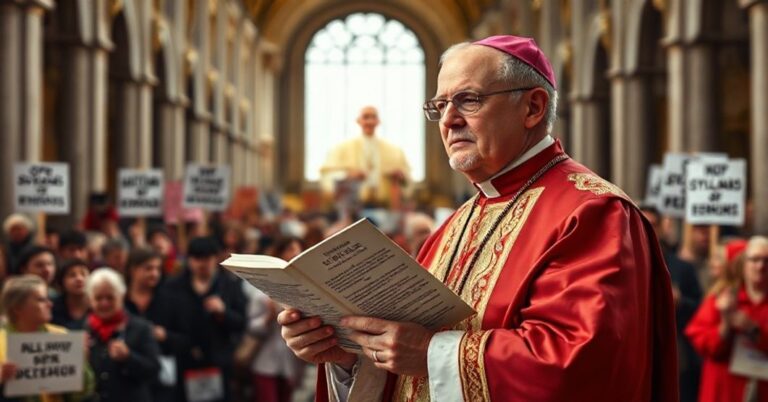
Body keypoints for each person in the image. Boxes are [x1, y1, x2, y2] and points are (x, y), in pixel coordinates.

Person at [278, 35, 678, 402]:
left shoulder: (593, 213)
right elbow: (406, 366)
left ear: (533, 107)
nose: (449, 120)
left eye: (469, 100)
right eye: (440, 105)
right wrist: (349, 353)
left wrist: (430, 353)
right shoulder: (454, 225)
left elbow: (580, 365)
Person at [685, 236, 768, 402]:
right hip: (723, 390)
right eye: (754, 260)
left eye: (766, 260)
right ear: (743, 264)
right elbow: (700, 341)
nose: (761, 266)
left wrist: (753, 329)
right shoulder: (722, 298)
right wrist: (725, 324)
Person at [166, 237, 247, 402]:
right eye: (197, 258)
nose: (202, 264)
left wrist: (224, 312)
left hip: (218, 363)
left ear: (216, 258)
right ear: (189, 260)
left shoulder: (229, 285)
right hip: (185, 363)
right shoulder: (174, 287)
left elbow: (241, 322)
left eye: (207, 258)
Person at [641, 204, 703, 402]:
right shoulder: (623, 263)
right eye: (642, 224)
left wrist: (680, 301)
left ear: (661, 228)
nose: (647, 230)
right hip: (639, 349)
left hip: (676, 353)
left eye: (652, 225)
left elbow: (700, 308)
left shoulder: (682, 267)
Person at [0, 274, 94, 401]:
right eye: (41, 300)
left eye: (48, 299)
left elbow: (85, 392)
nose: (50, 304)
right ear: (17, 308)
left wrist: (80, 362)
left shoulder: (62, 336)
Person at [124, 247, 190, 401]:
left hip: (162, 383)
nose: (154, 273)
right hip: (128, 380)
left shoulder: (170, 300)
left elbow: (187, 341)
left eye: (157, 268)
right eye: (148, 268)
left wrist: (165, 336)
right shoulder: (121, 301)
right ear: (133, 269)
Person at [85, 268, 160, 402]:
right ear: (90, 300)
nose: (104, 303)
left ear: (121, 296)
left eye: (110, 297)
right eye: (98, 298)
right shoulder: (83, 330)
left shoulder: (141, 328)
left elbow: (154, 370)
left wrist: (129, 357)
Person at [246, 237, 306, 402]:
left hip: (291, 362)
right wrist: (268, 317)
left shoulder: (303, 288)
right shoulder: (262, 289)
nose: (295, 254)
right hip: (266, 362)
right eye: (291, 249)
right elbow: (251, 328)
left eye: (299, 250)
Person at [319, 106, 411, 207]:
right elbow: (327, 175)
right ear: (358, 121)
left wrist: (401, 177)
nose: (370, 121)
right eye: (366, 117)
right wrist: (347, 175)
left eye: (373, 117)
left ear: (378, 121)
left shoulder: (394, 151)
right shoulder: (341, 148)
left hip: (383, 206)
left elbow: (407, 181)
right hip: (353, 207)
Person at [51, 259, 91, 330]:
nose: (79, 279)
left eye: (83, 274)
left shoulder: (98, 304)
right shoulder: (52, 307)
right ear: (62, 282)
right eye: (72, 275)